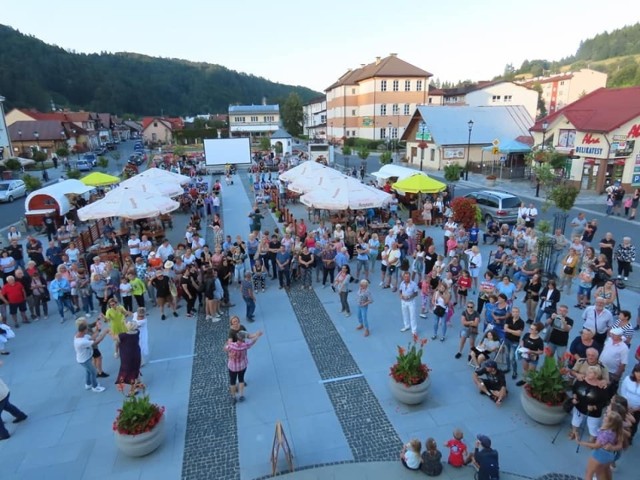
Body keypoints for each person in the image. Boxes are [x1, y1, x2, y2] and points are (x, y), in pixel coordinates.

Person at [575, 411, 625, 480]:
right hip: (610, 456)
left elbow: (597, 446)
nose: (604, 415)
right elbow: (620, 445)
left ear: (610, 422)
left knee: (589, 473)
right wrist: (612, 447)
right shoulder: (617, 431)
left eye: (606, 416)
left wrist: (580, 442)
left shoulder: (604, 433)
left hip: (599, 455)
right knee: (603, 473)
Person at [568, 365, 610, 441]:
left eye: (591, 372)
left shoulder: (601, 386)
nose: (587, 373)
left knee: (592, 426)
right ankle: (574, 432)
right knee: (575, 420)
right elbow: (574, 389)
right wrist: (574, 397)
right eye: (588, 371)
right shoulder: (581, 380)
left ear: (596, 375)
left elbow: (604, 402)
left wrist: (594, 407)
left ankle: (592, 438)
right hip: (579, 405)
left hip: (593, 411)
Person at [224, 329, 263, 404]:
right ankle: (241, 395)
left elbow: (225, 348)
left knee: (232, 381)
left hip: (232, 366)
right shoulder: (245, 345)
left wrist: (229, 352)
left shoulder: (232, 345)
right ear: (243, 339)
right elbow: (252, 342)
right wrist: (257, 336)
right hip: (242, 365)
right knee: (241, 379)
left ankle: (234, 397)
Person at [74, 319, 109, 393]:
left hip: (85, 357)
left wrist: (99, 330)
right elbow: (96, 341)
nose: (88, 331)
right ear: (83, 330)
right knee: (93, 372)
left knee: (88, 371)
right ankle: (95, 386)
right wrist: (104, 333)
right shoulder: (81, 342)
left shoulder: (80, 336)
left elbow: (91, 337)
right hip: (84, 360)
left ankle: (88, 384)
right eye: (86, 329)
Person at [0, 362, 28, 440]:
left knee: (5, 405)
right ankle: (21, 415)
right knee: (7, 405)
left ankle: (3, 434)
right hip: (4, 391)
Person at [515, 322, 545, 386]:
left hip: (533, 358)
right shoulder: (527, 334)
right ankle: (524, 380)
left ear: (536, 331)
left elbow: (541, 352)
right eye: (530, 328)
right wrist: (522, 346)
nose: (529, 329)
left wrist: (531, 351)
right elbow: (522, 341)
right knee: (525, 369)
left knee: (531, 372)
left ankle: (530, 383)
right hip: (525, 356)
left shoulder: (539, 341)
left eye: (532, 329)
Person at [619, 363, 640, 443]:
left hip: (637, 409)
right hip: (625, 405)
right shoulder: (628, 379)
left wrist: (636, 409)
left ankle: (629, 438)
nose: (639, 374)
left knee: (634, 424)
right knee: (621, 421)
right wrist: (626, 405)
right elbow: (623, 391)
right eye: (637, 372)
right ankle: (618, 435)